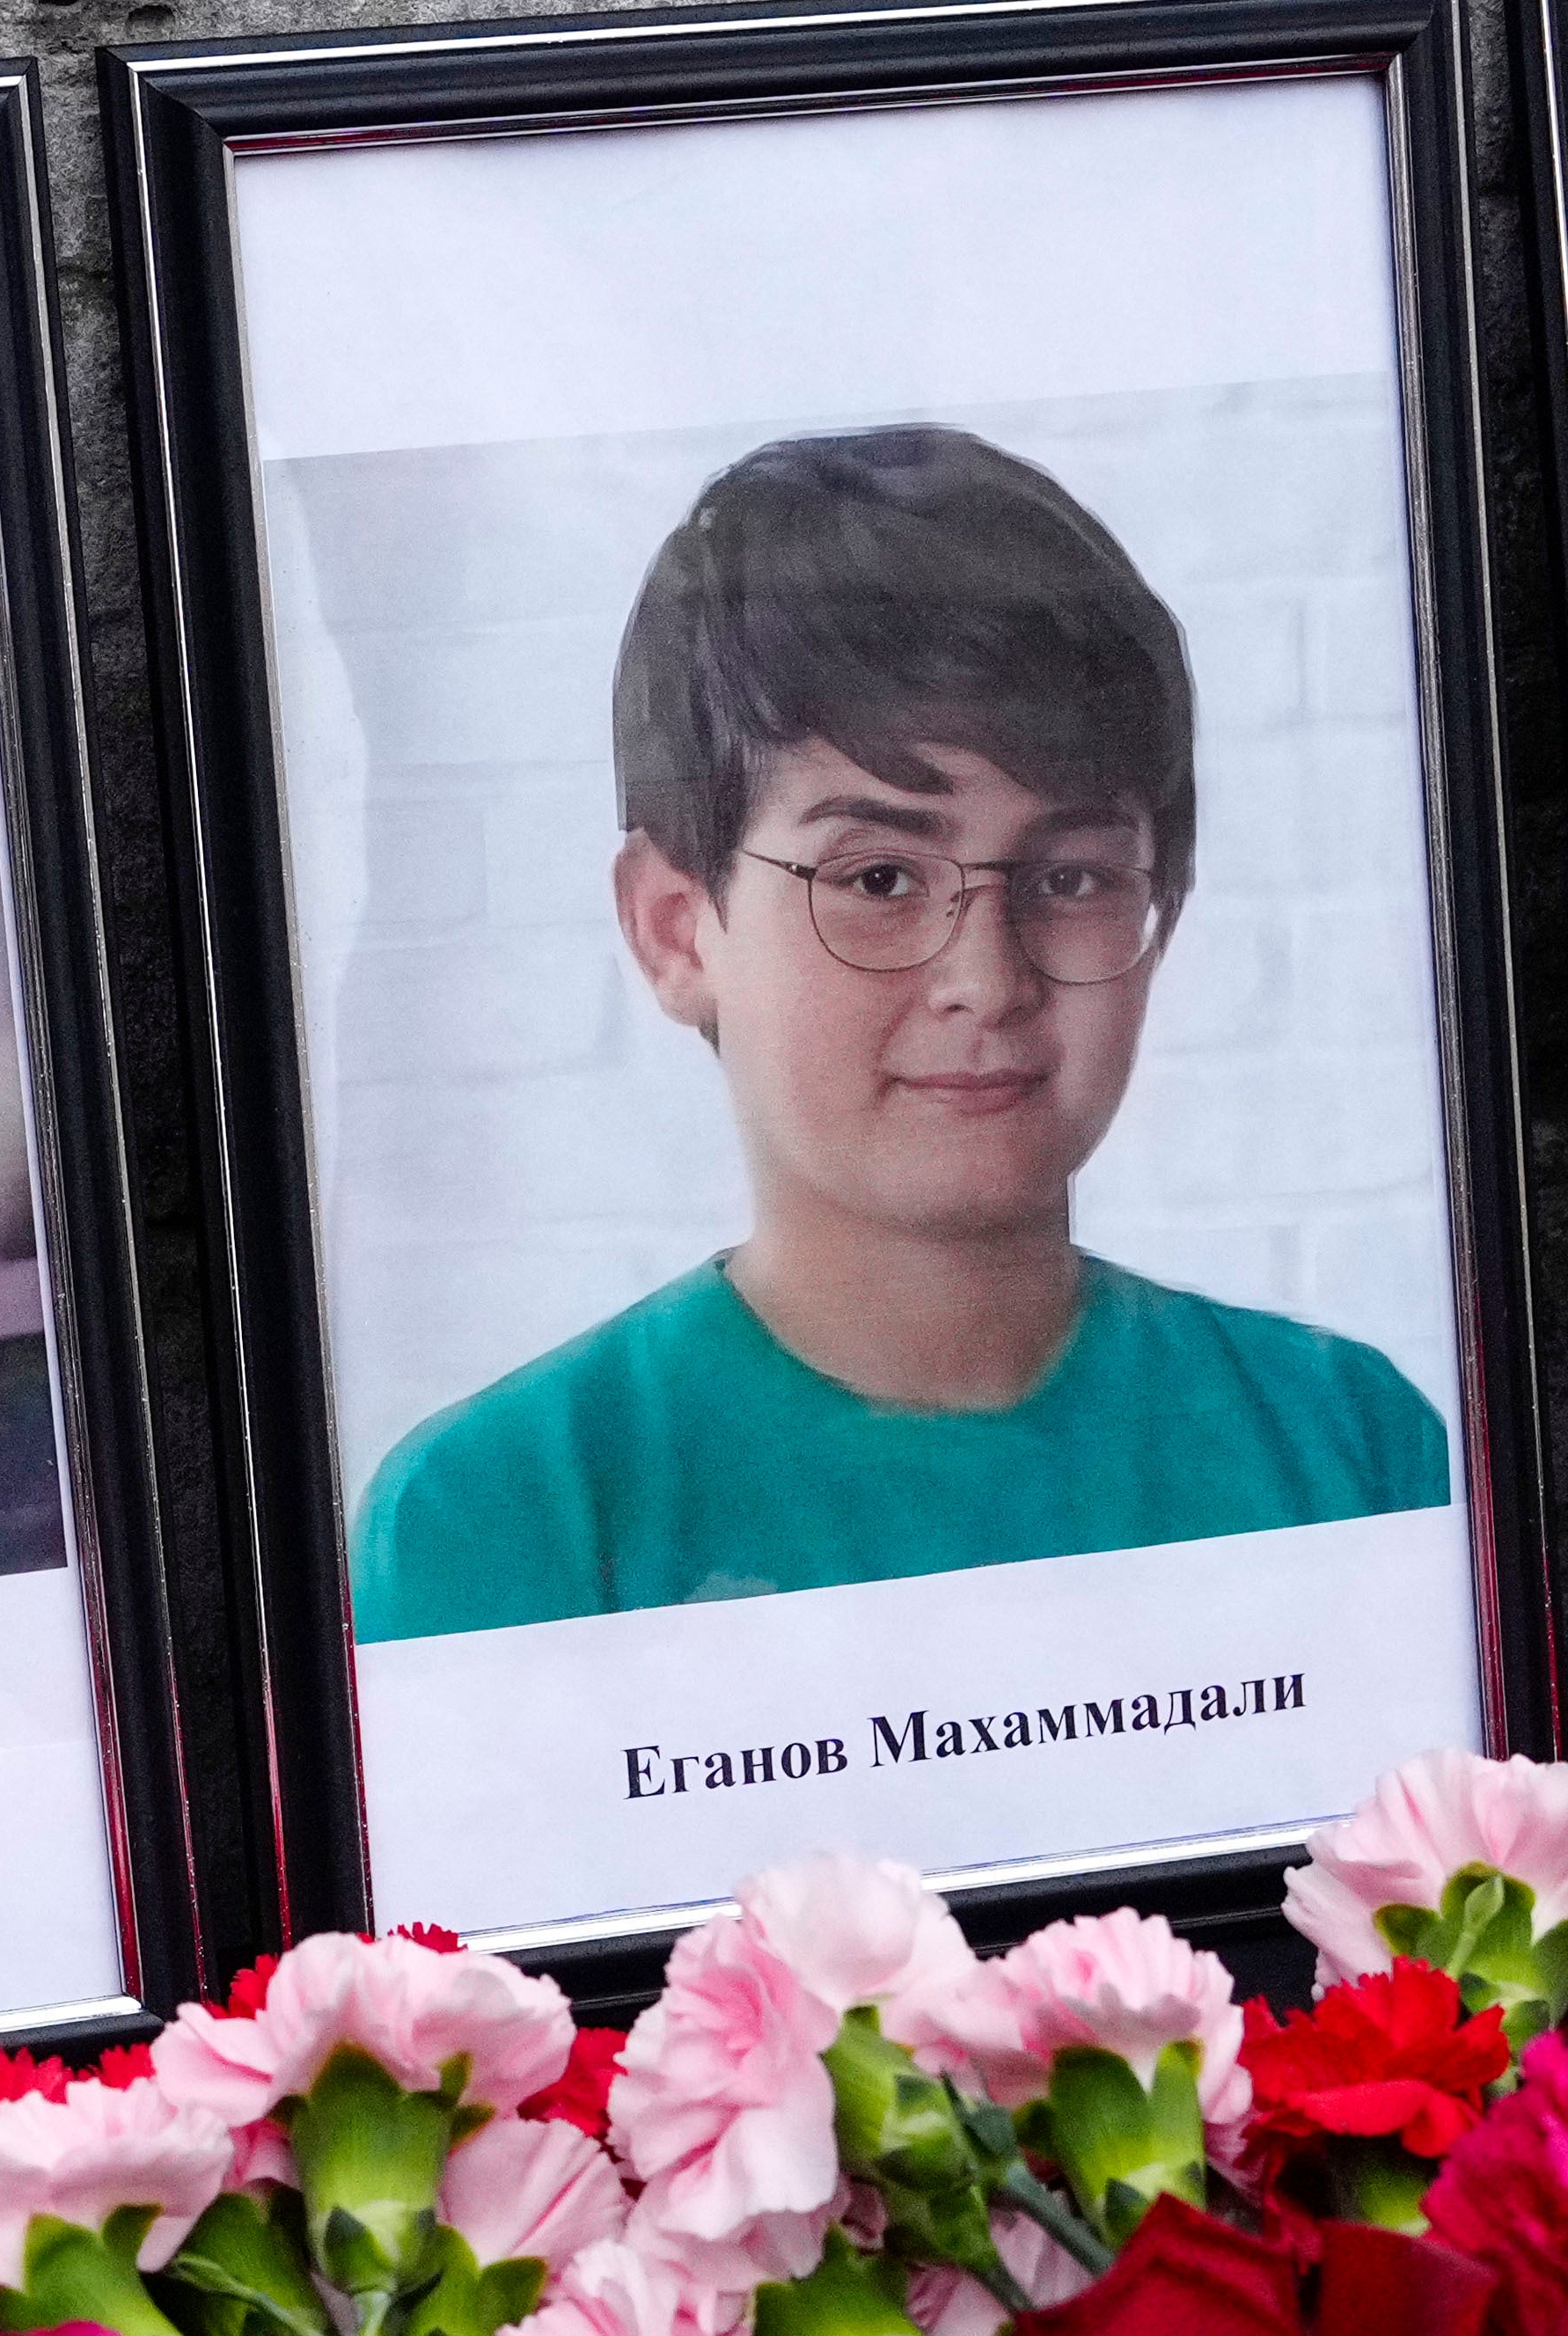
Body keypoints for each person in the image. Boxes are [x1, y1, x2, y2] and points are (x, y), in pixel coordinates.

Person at [348, 428, 1440, 1641]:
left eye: (1072, 878)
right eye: (877, 879)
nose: (986, 980)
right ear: (677, 930)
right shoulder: (503, 1519)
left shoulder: (1353, 1448)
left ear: (1162, 902)